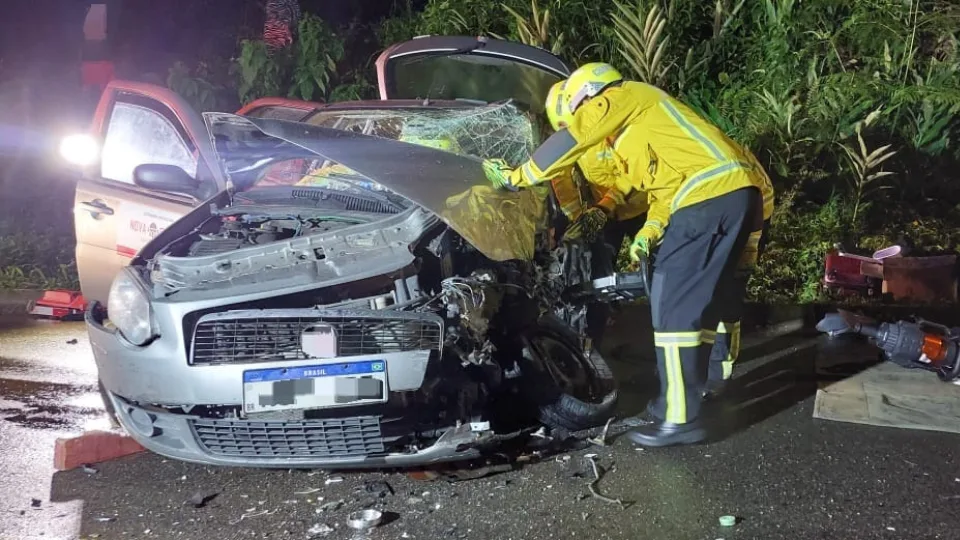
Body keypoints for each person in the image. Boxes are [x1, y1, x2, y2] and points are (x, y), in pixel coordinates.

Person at [483, 62, 774, 447]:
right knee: (698, 303)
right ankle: (682, 399)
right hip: (719, 196)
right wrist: (649, 233)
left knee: (673, 306)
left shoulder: (622, 96)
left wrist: (515, 178)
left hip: (710, 198)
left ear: (586, 97)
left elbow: (573, 139)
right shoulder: (644, 127)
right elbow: (664, 193)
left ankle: (680, 419)